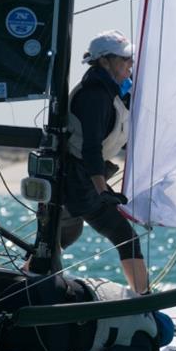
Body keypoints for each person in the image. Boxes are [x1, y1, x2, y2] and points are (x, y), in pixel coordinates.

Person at [62, 30, 150, 295]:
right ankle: (144, 301)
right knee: (124, 235)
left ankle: (27, 280)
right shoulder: (95, 96)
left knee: (61, 239)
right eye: (124, 60)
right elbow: (91, 149)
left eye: (130, 59)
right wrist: (102, 192)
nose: (130, 65)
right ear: (103, 62)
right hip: (75, 179)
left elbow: (119, 134)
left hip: (82, 177)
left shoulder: (115, 91)